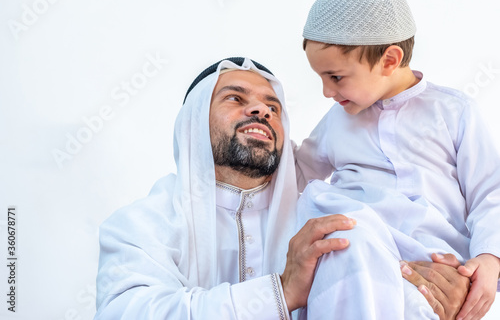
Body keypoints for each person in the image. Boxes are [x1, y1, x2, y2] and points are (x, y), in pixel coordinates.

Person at [95, 57, 468, 319]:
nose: (261, 111)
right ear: (193, 122)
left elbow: (397, 272)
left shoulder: (324, 217)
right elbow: (123, 314)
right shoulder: (142, 225)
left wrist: (437, 293)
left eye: (273, 106)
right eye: (235, 98)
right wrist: (281, 293)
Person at [295, 0, 500, 319]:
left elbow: (491, 192)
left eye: (335, 77)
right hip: (358, 260)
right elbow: (296, 174)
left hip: (435, 270)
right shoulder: (336, 121)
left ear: (390, 60)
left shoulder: (453, 112)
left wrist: (490, 260)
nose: (326, 92)